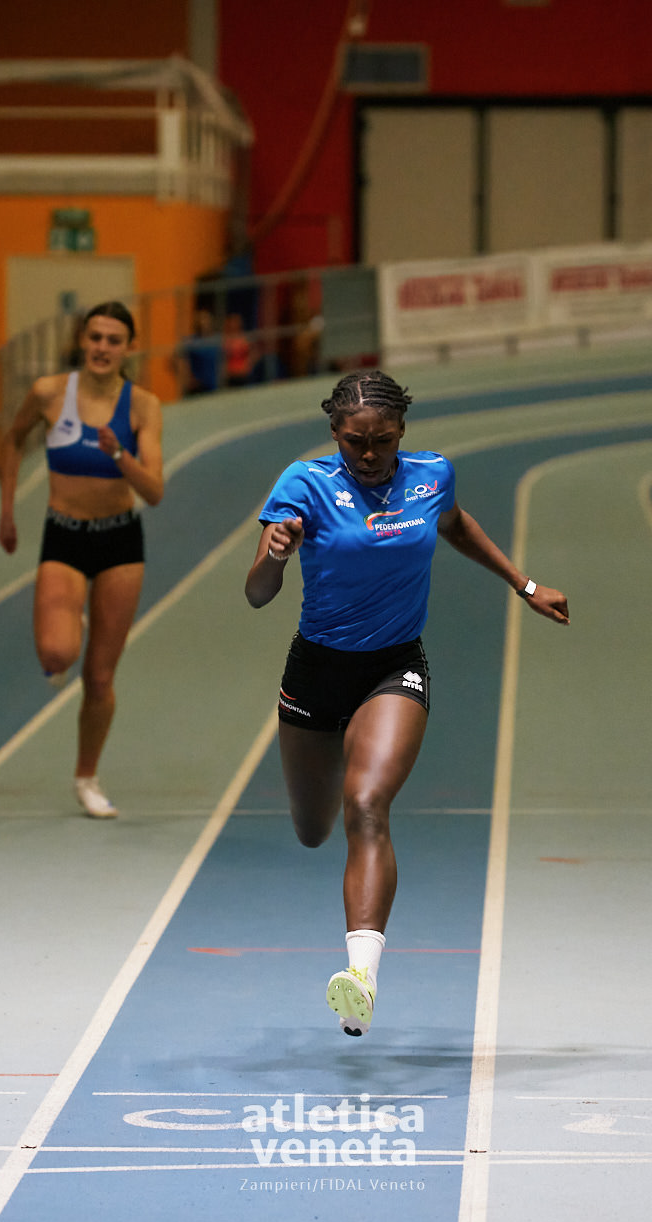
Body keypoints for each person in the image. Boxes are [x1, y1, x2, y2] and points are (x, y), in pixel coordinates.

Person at [245, 369, 568, 1037]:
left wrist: (524, 583)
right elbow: (256, 594)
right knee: (313, 828)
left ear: (402, 433)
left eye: (383, 441)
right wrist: (275, 555)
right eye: (355, 442)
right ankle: (335, 764)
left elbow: (455, 525)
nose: (369, 455)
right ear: (334, 433)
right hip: (315, 671)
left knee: (367, 803)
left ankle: (360, 979)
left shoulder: (431, 476)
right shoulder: (302, 484)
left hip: (394, 665)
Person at [0, 300, 164, 818]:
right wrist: (7, 511)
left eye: (113, 340)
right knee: (55, 655)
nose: (102, 348)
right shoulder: (49, 392)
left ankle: (86, 777)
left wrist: (118, 454)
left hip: (119, 543)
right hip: (64, 536)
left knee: (99, 678)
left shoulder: (142, 406)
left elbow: (154, 491)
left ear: (129, 348)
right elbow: (13, 439)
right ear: (81, 341)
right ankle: (72, 619)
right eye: (95, 337)